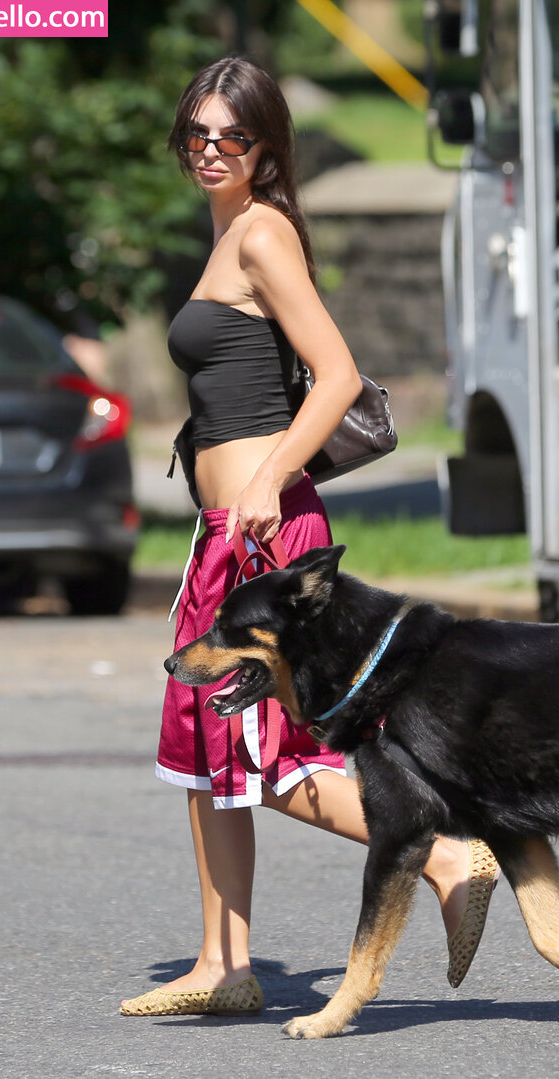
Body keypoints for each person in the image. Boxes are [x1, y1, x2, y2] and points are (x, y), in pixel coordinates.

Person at [121, 57, 497, 1017]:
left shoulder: (262, 233)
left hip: (264, 533)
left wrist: (269, 476)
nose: (211, 150)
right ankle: (223, 964)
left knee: (261, 750)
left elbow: (337, 375)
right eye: (198, 133)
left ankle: (445, 853)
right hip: (224, 529)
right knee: (205, 741)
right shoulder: (227, 231)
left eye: (233, 136)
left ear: (268, 147)